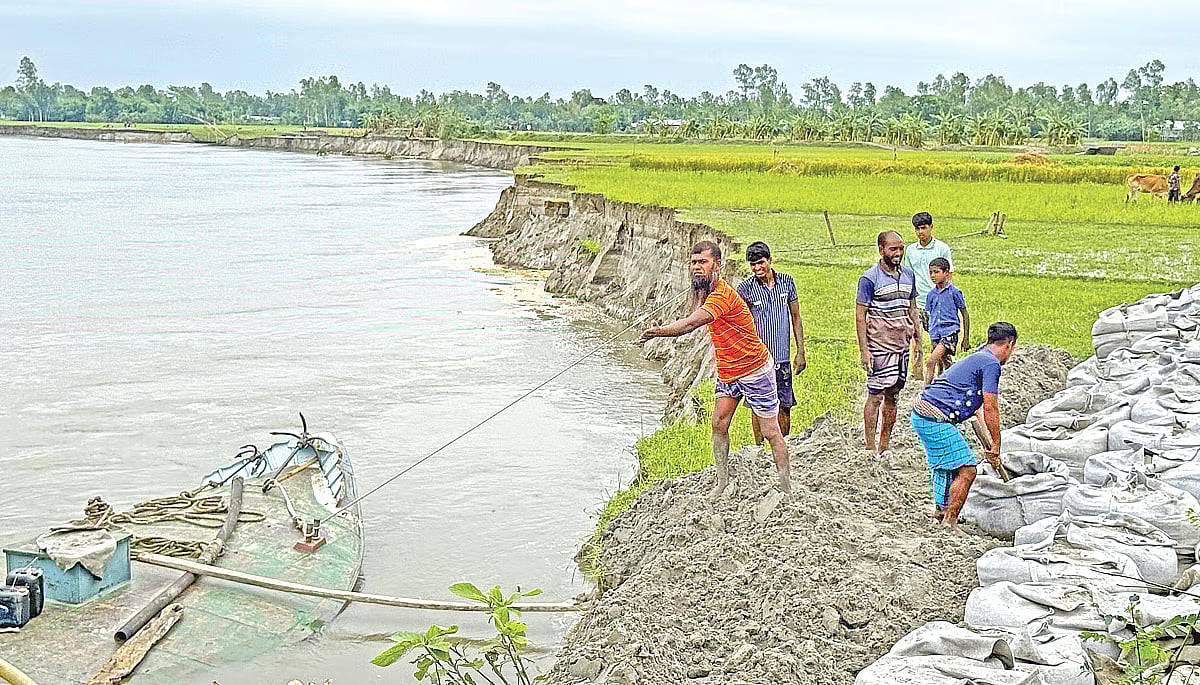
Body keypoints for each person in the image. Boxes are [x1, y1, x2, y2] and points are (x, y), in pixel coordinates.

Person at [639, 241, 791, 498]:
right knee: (719, 424)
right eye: (694, 262)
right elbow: (694, 308)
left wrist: (658, 332)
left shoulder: (722, 296)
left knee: (770, 431)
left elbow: (691, 324)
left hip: (754, 369)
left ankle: (786, 485)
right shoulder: (704, 290)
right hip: (728, 370)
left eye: (703, 262)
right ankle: (722, 482)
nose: (697, 267)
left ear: (717, 265)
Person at [911, 322, 1016, 535]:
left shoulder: (979, 357)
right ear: (1009, 345)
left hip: (923, 413)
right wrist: (997, 445)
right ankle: (950, 521)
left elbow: (977, 415)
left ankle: (940, 513)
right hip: (934, 416)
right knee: (967, 469)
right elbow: (990, 407)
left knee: (947, 465)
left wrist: (991, 447)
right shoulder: (991, 364)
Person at [856, 231, 921, 458]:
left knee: (894, 396)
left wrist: (918, 342)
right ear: (881, 250)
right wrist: (865, 351)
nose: (898, 253)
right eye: (893, 249)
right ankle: (869, 446)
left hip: (902, 345)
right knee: (875, 395)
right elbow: (860, 315)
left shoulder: (909, 276)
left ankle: (884, 445)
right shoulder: (869, 279)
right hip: (879, 346)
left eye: (901, 248)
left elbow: (912, 308)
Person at [736, 241, 807, 441]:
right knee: (758, 407)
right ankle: (758, 451)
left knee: (784, 405)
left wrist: (801, 352)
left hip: (782, 358)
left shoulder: (787, 282)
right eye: (753, 265)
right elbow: (739, 323)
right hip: (757, 361)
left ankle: (784, 445)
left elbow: (796, 317)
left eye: (760, 263)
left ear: (769, 260)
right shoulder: (745, 289)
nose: (757, 268)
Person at [901, 212, 953, 376]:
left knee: (938, 341)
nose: (920, 232)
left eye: (924, 228)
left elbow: (949, 275)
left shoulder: (942, 249)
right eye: (917, 229)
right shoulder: (910, 251)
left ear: (931, 227)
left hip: (937, 303)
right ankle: (917, 375)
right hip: (918, 302)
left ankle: (944, 374)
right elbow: (908, 275)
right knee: (916, 340)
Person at [923, 257, 970, 384]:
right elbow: (929, 314)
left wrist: (965, 338)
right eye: (931, 272)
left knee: (931, 361)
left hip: (949, 332)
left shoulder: (954, 292)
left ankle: (926, 391)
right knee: (944, 363)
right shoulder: (931, 295)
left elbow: (965, 314)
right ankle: (954, 383)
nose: (933, 275)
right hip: (935, 333)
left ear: (947, 273)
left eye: (936, 272)